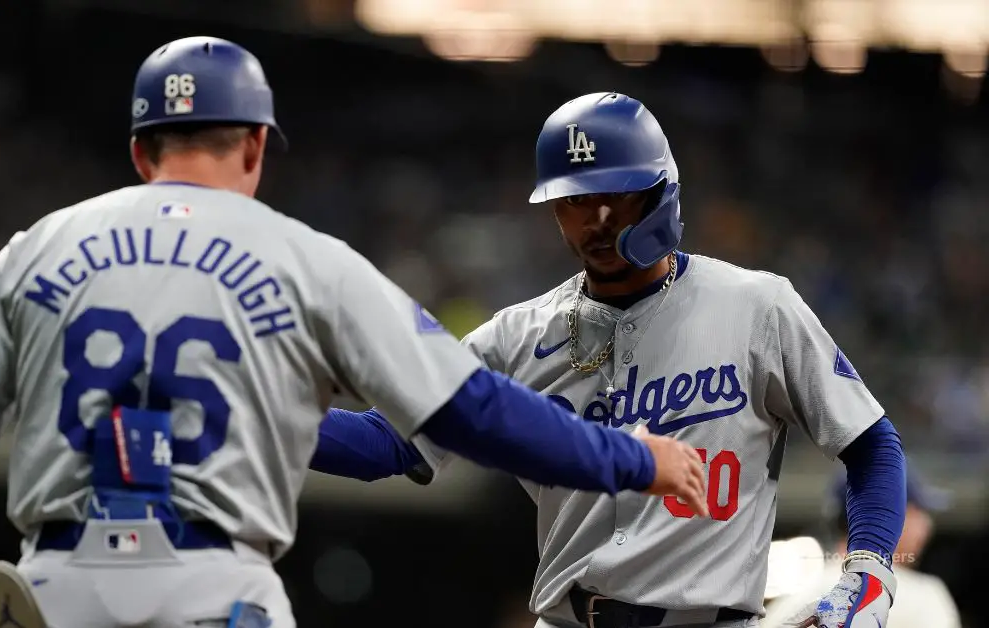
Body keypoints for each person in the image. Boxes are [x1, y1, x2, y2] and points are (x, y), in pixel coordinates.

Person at [0, 41, 710, 628]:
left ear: (138, 152)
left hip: (55, 583)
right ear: (258, 146)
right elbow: (472, 413)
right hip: (216, 586)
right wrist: (636, 459)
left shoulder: (37, 247)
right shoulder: (308, 259)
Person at [308, 92, 909, 628]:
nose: (596, 220)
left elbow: (871, 443)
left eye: (614, 195)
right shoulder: (514, 338)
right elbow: (384, 444)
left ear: (660, 189)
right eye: (575, 200)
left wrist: (870, 569)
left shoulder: (758, 307)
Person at [761, 467, 961, 627]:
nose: (927, 525)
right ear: (890, 515)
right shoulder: (925, 596)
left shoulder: (795, 595)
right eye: (917, 511)